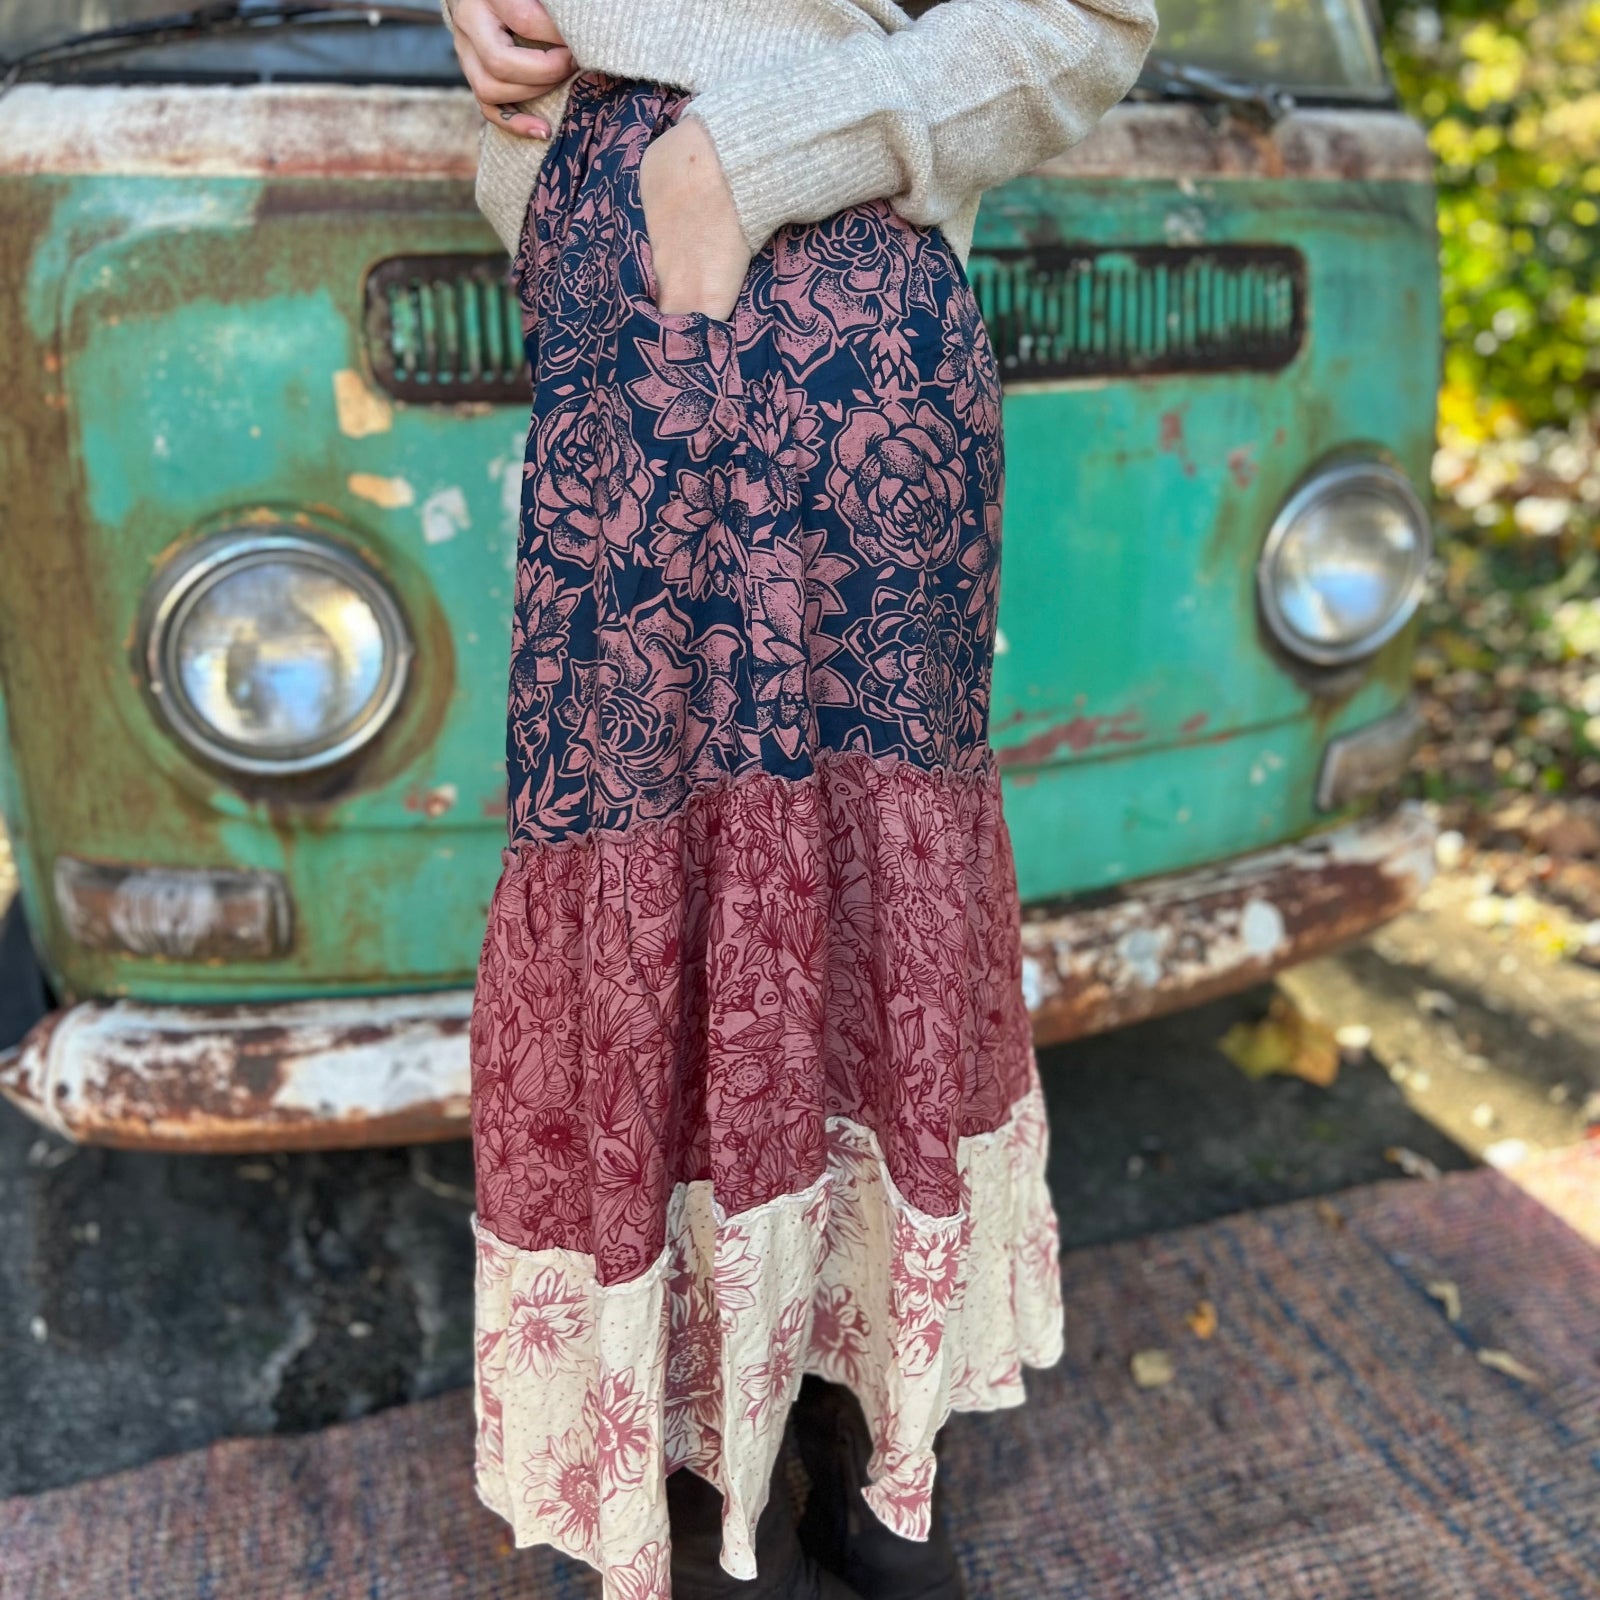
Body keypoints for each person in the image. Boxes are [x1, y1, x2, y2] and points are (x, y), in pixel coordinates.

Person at [442, 3, 1158, 1596]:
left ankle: (855, 1427)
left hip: (847, 335)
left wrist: (738, 159)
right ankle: (673, 1455)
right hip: (617, 340)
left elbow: (1087, 21)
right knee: (634, 884)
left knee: (858, 893)